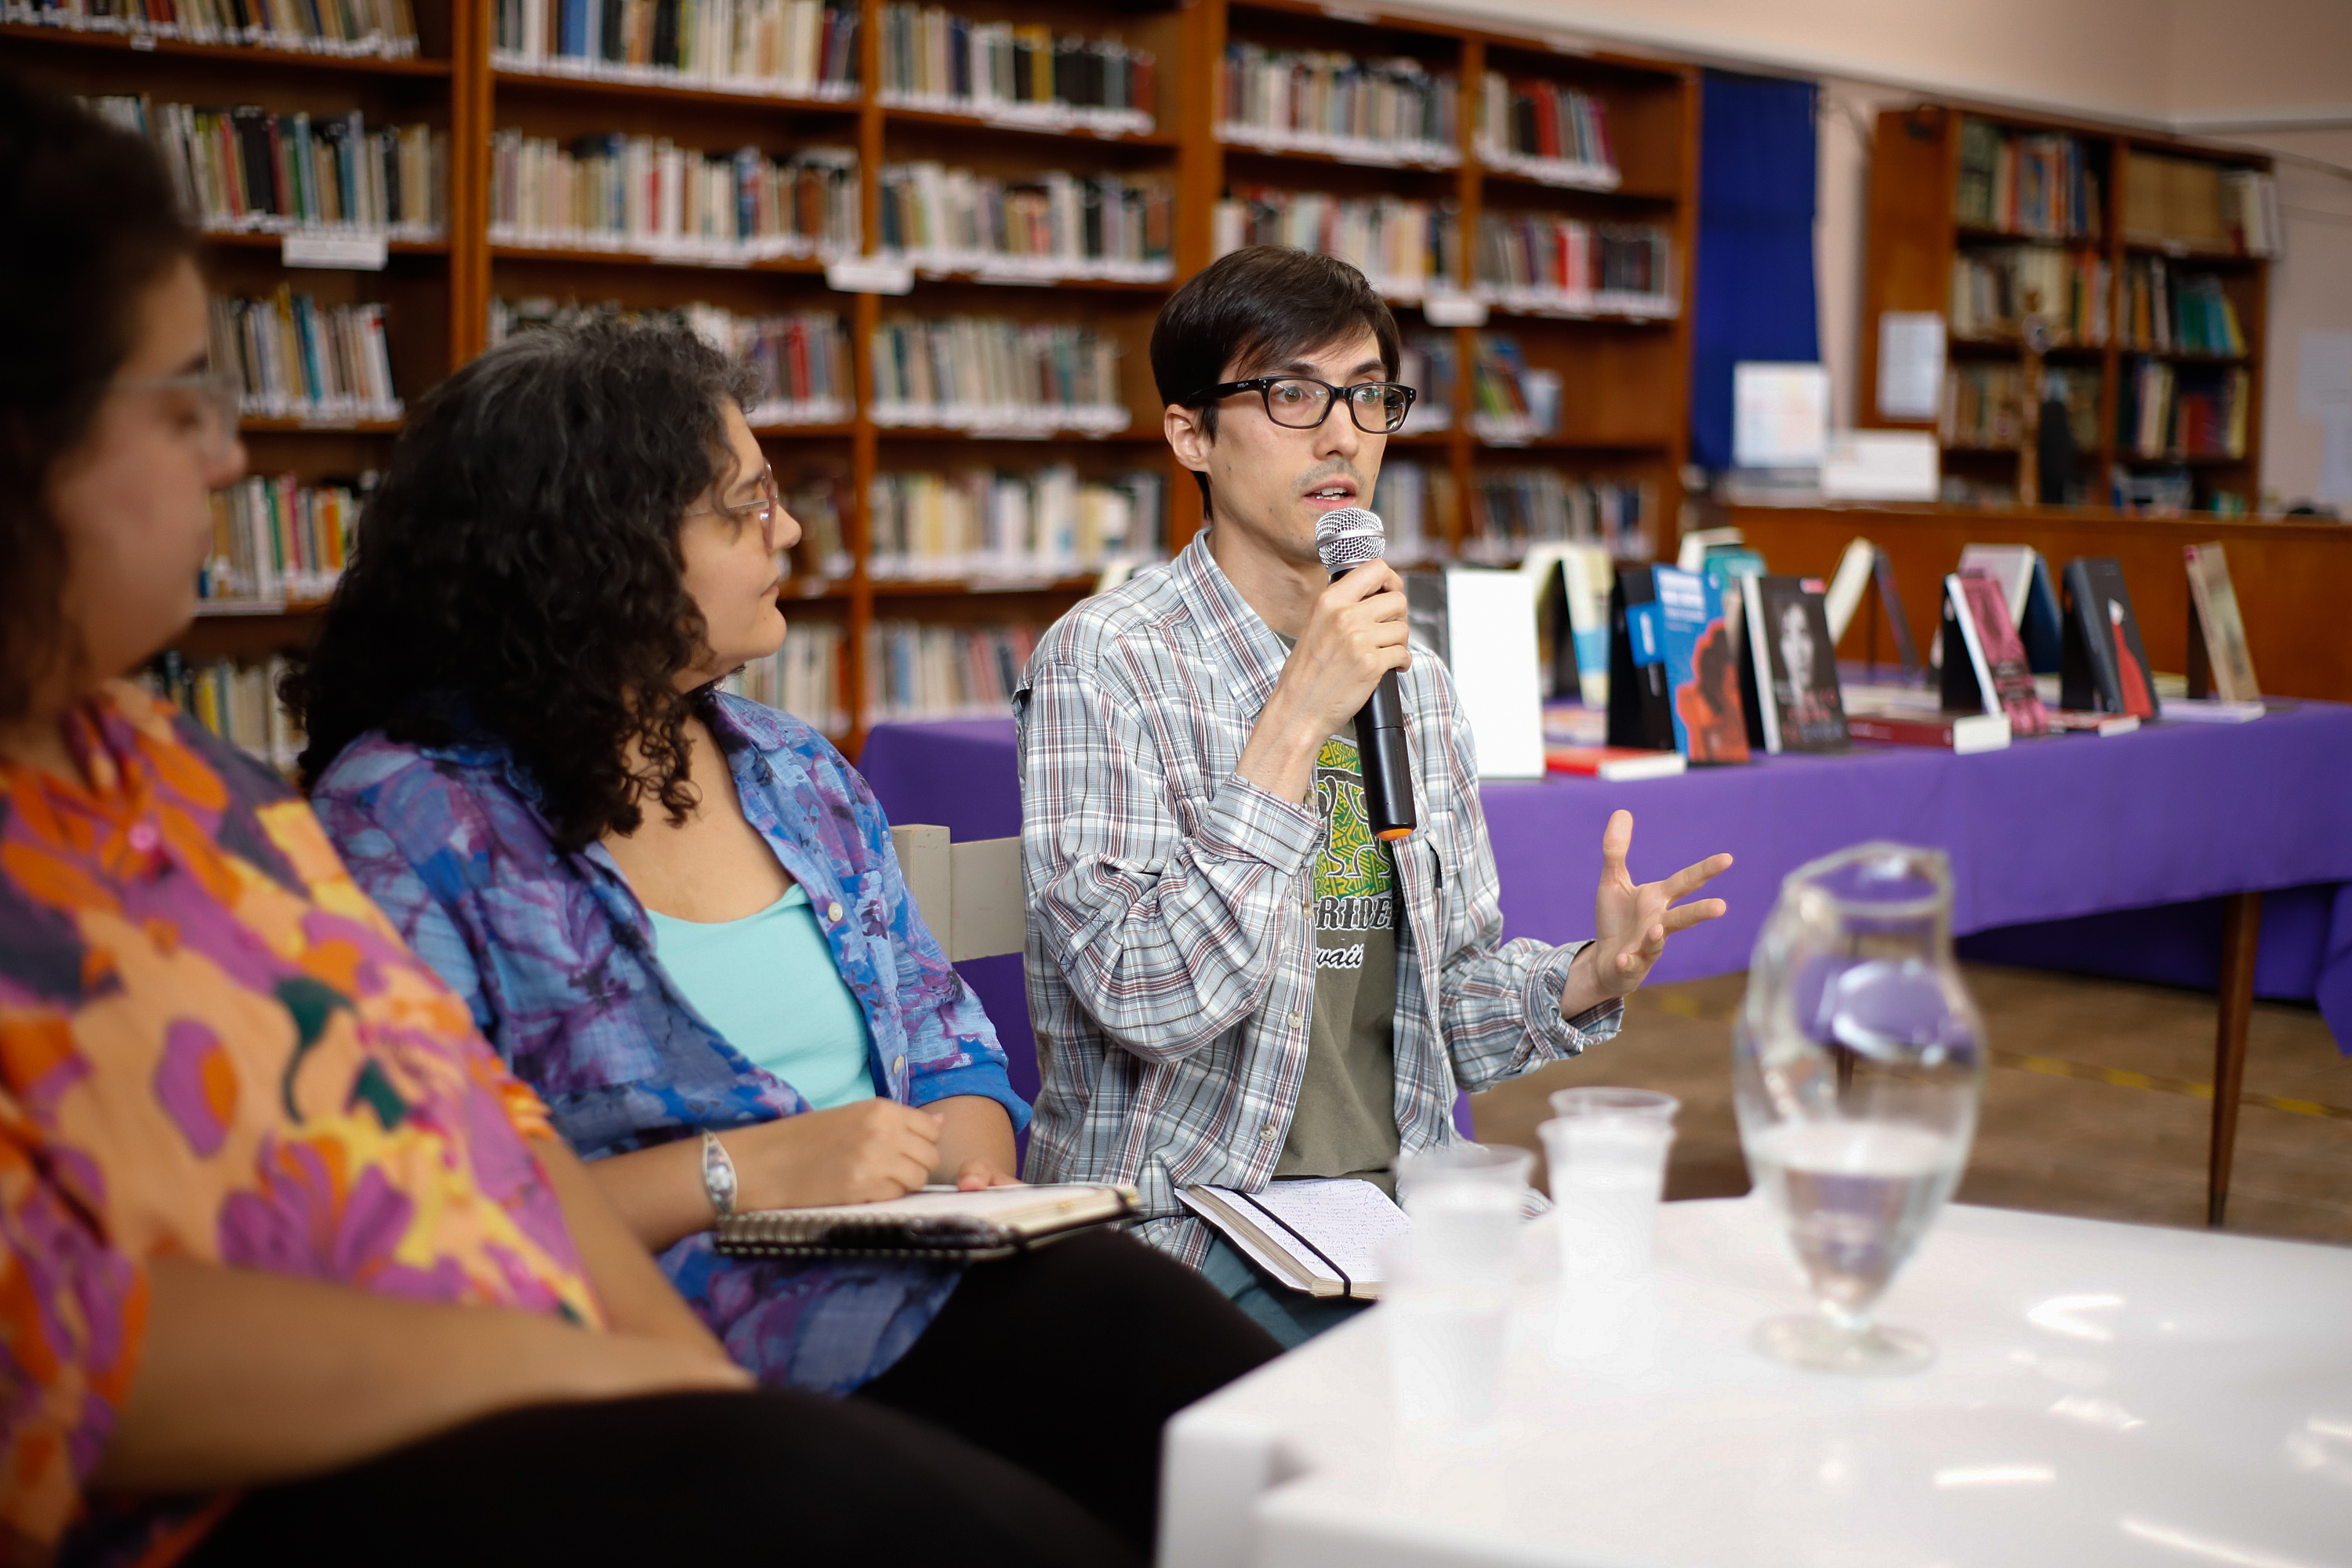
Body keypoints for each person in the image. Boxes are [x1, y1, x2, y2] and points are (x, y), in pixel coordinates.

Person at [0, 78, 1146, 1568]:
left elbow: (497, 1138)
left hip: (745, 1321)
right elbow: (75, 1347)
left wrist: (945, 1182)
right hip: (483, 1413)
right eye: (180, 401)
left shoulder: (173, 775)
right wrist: (644, 1354)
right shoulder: (403, 815)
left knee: (1162, 1409)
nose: (228, 455)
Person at [289, 316, 1278, 1555]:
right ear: (603, 550)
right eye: (746, 507)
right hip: (677, 1350)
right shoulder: (410, 818)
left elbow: (955, 1052)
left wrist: (964, 1176)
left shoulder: (794, 769)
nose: (791, 534)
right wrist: (748, 1172)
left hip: (921, 1278)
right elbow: (439, 1205)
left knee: (1267, 1443)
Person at [1014, 248, 1734, 1345]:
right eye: (1292, 395)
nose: (1343, 435)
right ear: (1190, 435)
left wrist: (1587, 976)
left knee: (1652, 1340)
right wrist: (1298, 718)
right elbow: (1148, 999)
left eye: (1368, 397)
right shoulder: (1107, 660)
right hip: (1186, 1229)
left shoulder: (1417, 680)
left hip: (1392, 1212)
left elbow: (1440, 1012)